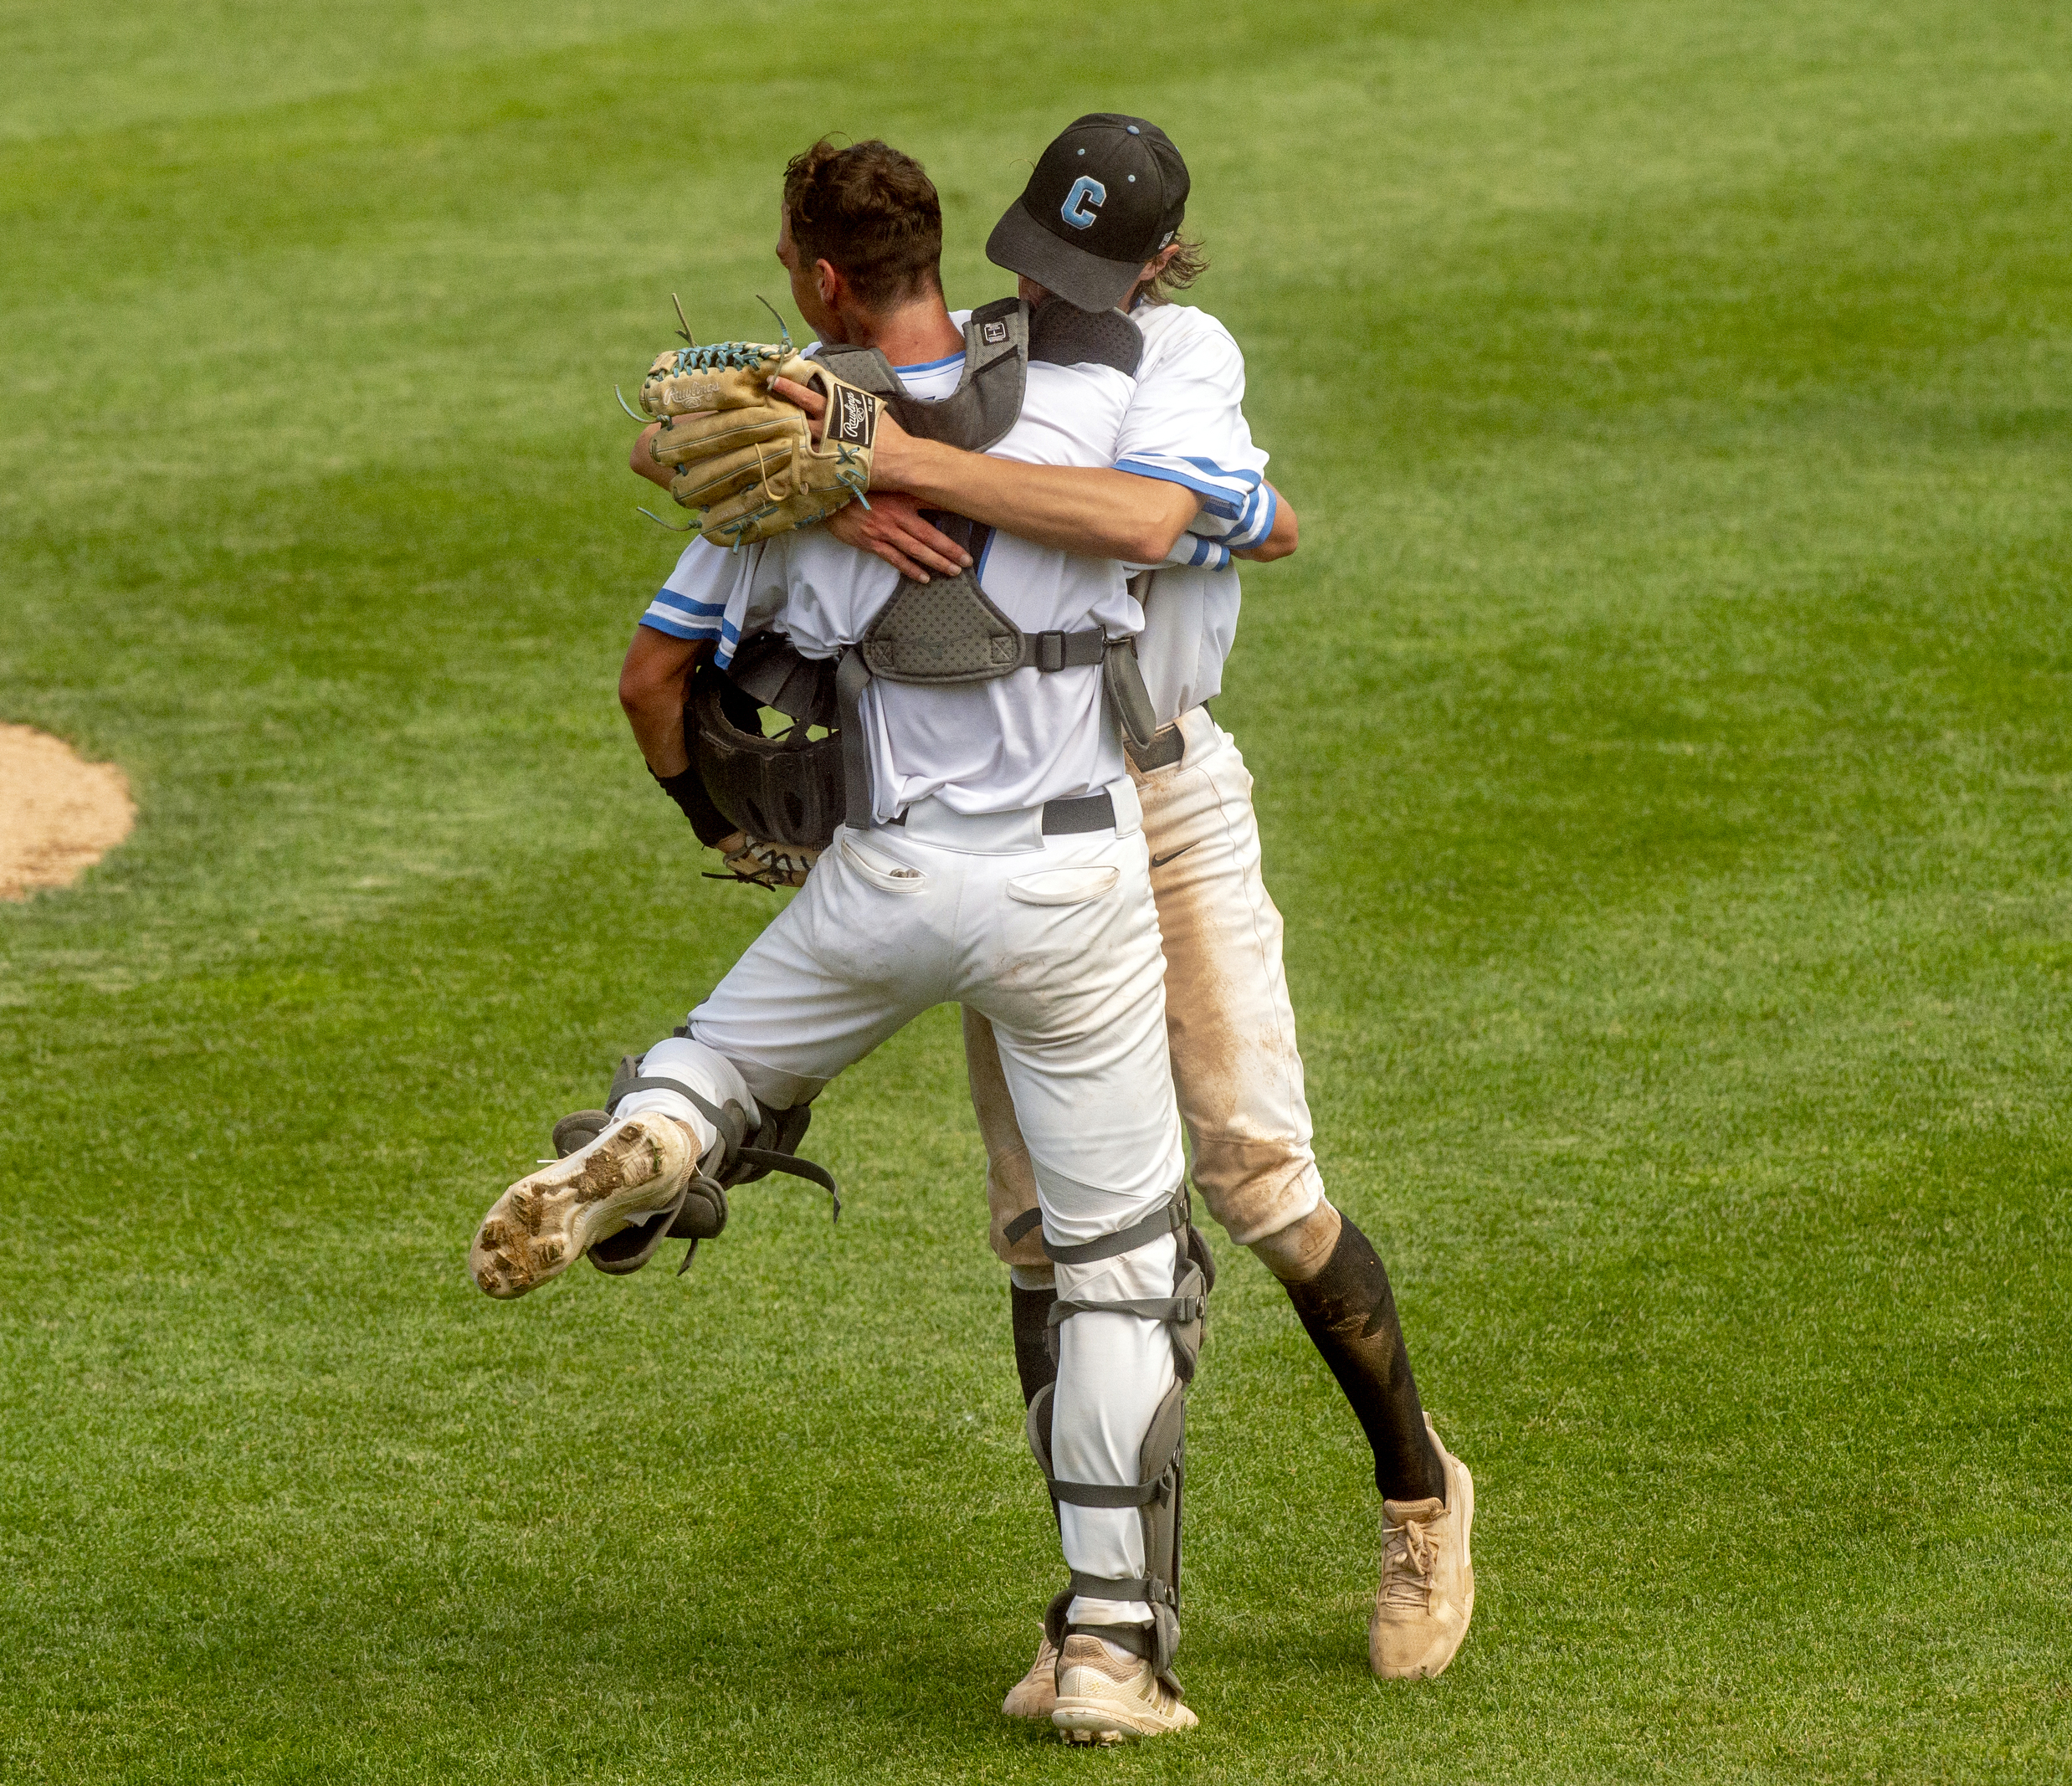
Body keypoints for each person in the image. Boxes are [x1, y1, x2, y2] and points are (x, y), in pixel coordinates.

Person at [646, 116, 1480, 1702]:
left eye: (1089, 265)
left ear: (1158, 262)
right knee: (1047, 1232)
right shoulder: (995, 347)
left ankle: (1420, 1490)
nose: (1048, 282)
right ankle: (1100, 1609)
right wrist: (820, 490)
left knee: (1254, 1170)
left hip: (1159, 802)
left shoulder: (1180, 354)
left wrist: (880, 460)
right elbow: (682, 437)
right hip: (1002, 824)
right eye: (1037, 250)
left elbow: (1208, 522)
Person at [476, 135, 1213, 1742]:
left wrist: (726, 827)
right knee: (1116, 1269)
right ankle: (1105, 1647)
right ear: (953, 255)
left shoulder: (781, 462)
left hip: (880, 877)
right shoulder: (1097, 403)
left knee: (721, 1058)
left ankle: (663, 1132)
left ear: (816, 279)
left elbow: (651, 684)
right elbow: (1196, 520)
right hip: (1072, 889)